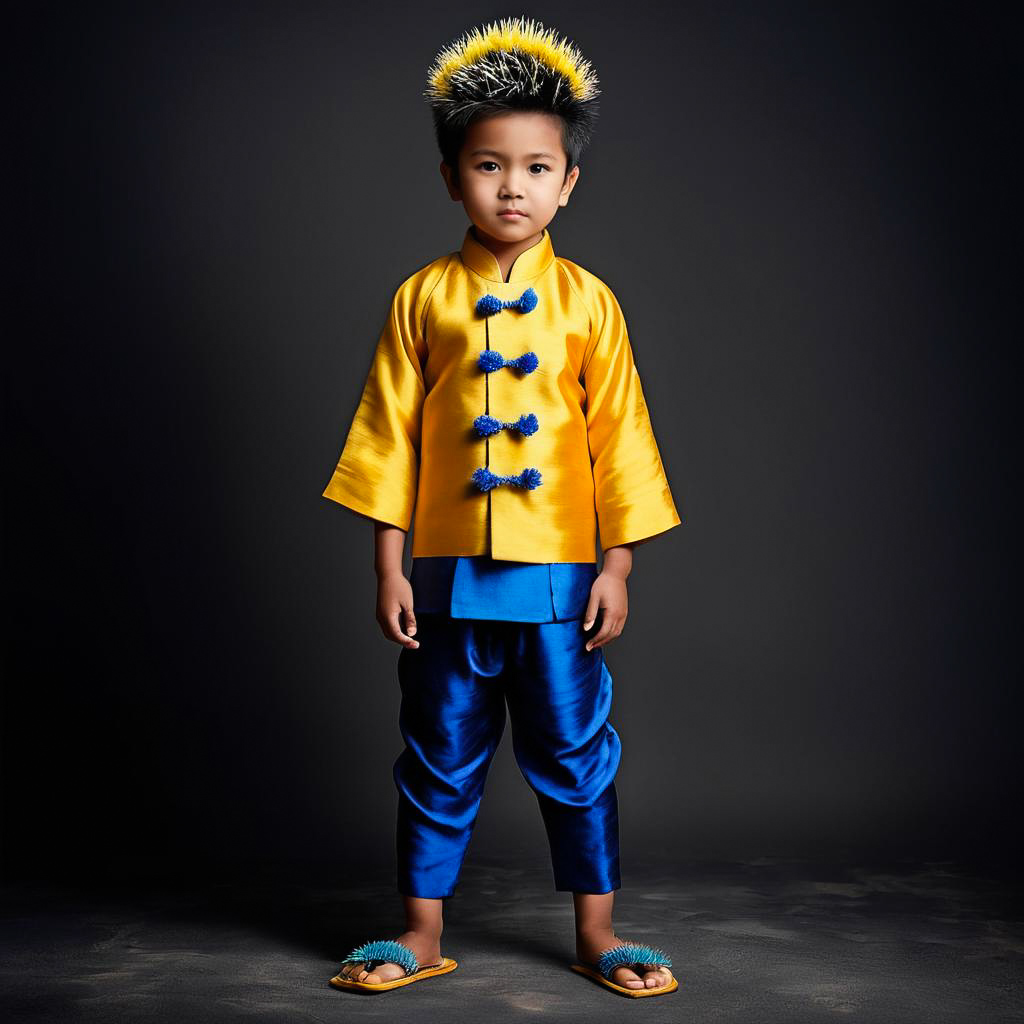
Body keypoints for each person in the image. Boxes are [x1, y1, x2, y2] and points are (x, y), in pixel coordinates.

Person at [322, 16, 682, 998]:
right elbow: (386, 438)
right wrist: (388, 561)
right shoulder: (421, 300)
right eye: (488, 165)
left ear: (569, 181)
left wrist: (618, 564)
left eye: (535, 166)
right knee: (437, 755)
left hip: (563, 579)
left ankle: (597, 933)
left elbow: (622, 440)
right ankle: (419, 932)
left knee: (576, 754)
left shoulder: (589, 304)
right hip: (441, 577)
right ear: (451, 177)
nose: (511, 186)